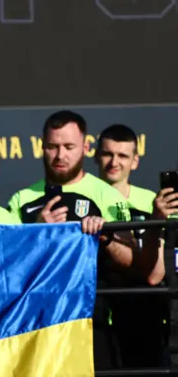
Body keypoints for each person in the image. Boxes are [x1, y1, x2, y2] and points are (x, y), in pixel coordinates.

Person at [7, 110, 166, 370]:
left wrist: (106, 238)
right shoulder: (21, 200)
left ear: (85, 147)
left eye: (69, 146)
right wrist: (37, 233)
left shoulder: (107, 195)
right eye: (52, 147)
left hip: (93, 320)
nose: (60, 155)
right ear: (42, 147)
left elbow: (134, 266)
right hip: (38, 321)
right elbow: (10, 267)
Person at [94, 123, 170, 368]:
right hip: (101, 314)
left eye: (123, 155)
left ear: (135, 161)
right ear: (96, 156)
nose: (114, 162)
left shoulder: (154, 202)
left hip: (149, 313)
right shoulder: (85, 201)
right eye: (107, 154)